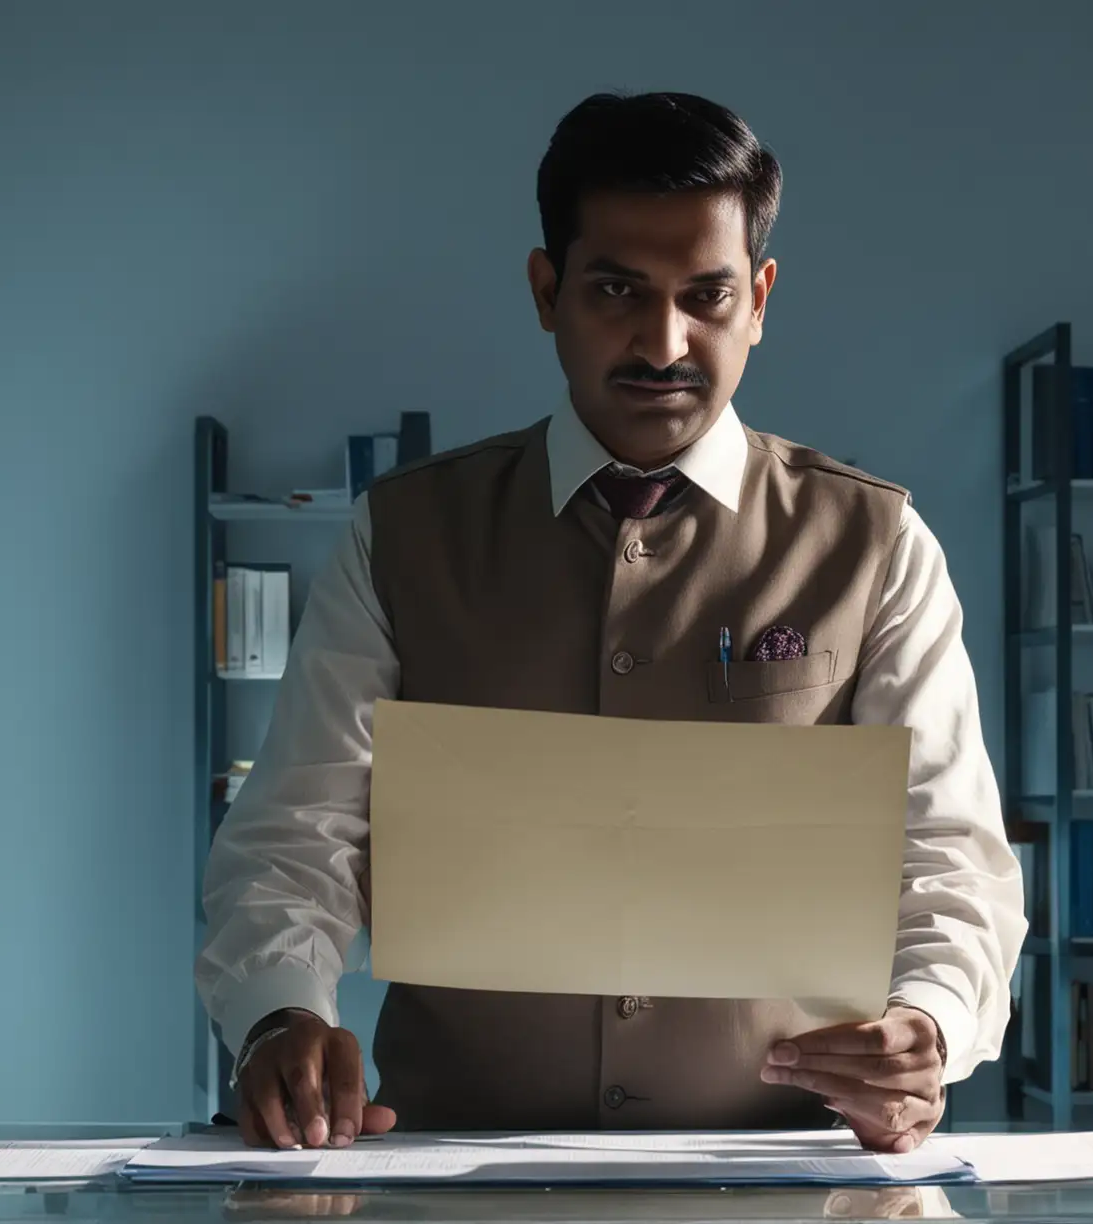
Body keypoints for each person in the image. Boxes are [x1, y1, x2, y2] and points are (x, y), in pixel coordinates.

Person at [195, 90, 1025, 1155]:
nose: (663, 340)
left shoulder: (878, 545)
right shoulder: (403, 535)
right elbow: (298, 832)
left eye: (708, 296)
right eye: (617, 290)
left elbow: (951, 856)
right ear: (547, 291)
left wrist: (930, 1024)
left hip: (782, 1171)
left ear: (761, 298)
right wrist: (280, 1012)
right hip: (453, 1170)